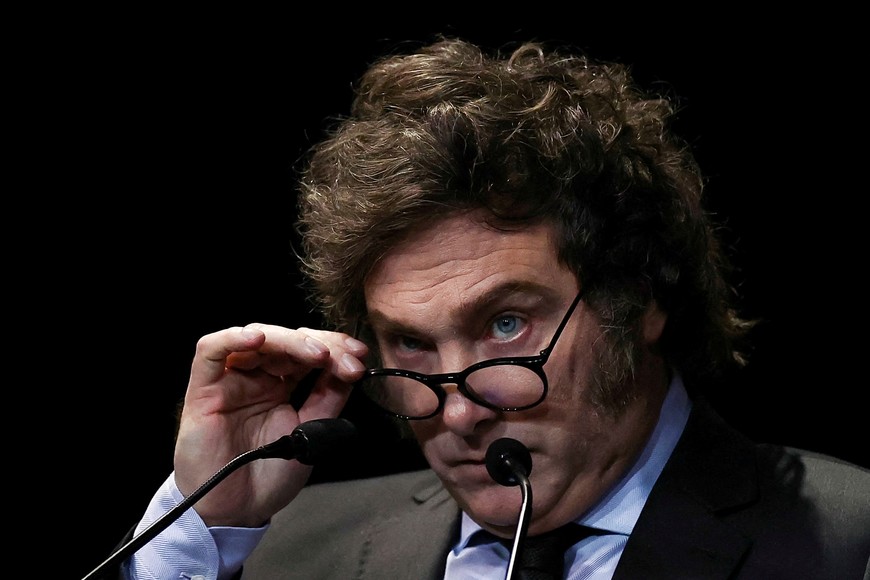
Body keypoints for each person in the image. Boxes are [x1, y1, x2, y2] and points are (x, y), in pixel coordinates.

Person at [108, 36, 869, 579]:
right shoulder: (283, 548)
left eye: (507, 325)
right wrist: (208, 525)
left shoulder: (848, 543)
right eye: (410, 345)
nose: (458, 413)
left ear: (638, 298)